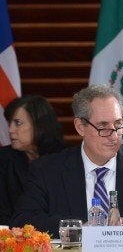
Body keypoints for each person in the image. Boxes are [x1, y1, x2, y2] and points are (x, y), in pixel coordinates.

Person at [12, 85, 123, 243]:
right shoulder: (47, 170)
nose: (114, 135)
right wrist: (79, 229)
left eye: (118, 124)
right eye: (103, 127)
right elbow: (23, 221)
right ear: (80, 126)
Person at [0, 95, 65, 225]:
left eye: (18, 123)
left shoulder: (65, 159)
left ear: (39, 125)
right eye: (9, 123)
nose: (11, 130)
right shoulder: (3, 159)